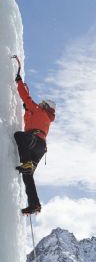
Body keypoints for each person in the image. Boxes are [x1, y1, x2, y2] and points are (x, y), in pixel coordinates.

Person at [14, 73, 56, 215]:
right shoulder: (46, 118)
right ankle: (34, 204)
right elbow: (30, 115)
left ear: (45, 106)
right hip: (40, 147)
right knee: (28, 174)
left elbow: (26, 98)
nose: (40, 104)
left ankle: (26, 162)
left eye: (42, 103)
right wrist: (27, 110)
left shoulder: (38, 110)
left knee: (18, 135)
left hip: (33, 141)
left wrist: (19, 81)